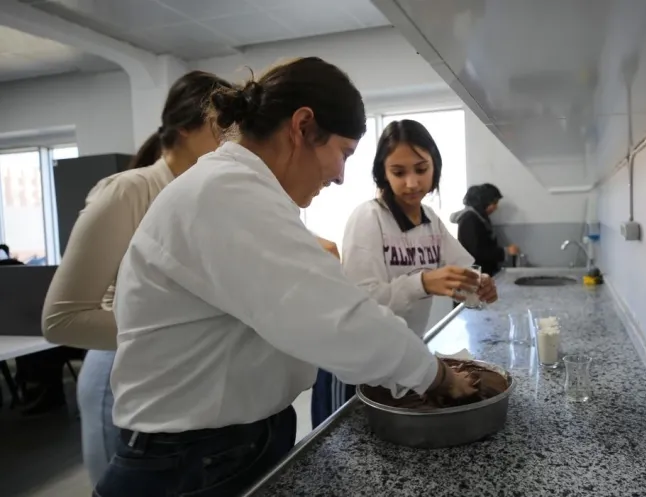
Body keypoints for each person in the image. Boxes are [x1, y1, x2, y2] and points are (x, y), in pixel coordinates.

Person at [92, 57, 477, 497]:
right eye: (343, 153)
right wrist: (436, 377)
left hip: (223, 445)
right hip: (190, 460)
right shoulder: (225, 192)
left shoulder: (244, 191)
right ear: (302, 126)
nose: (339, 175)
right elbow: (337, 320)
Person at [40, 71, 234, 486]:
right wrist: (182, 330)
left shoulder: (208, 195)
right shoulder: (128, 191)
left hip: (175, 368)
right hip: (118, 365)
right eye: (224, 129)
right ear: (185, 128)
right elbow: (61, 318)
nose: (234, 143)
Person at [309, 120, 500, 427]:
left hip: (396, 358)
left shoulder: (431, 221)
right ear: (382, 173)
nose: (412, 183)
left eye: (421, 169)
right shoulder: (369, 217)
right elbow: (363, 300)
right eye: (399, 172)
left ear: (434, 167)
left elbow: (464, 275)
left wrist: (480, 287)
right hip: (352, 363)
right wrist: (423, 282)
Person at [451, 183, 519, 276]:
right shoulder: (469, 219)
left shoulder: (481, 217)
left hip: (485, 271)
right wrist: (505, 252)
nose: (496, 207)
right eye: (494, 203)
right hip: (476, 273)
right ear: (484, 202)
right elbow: (477, 251)